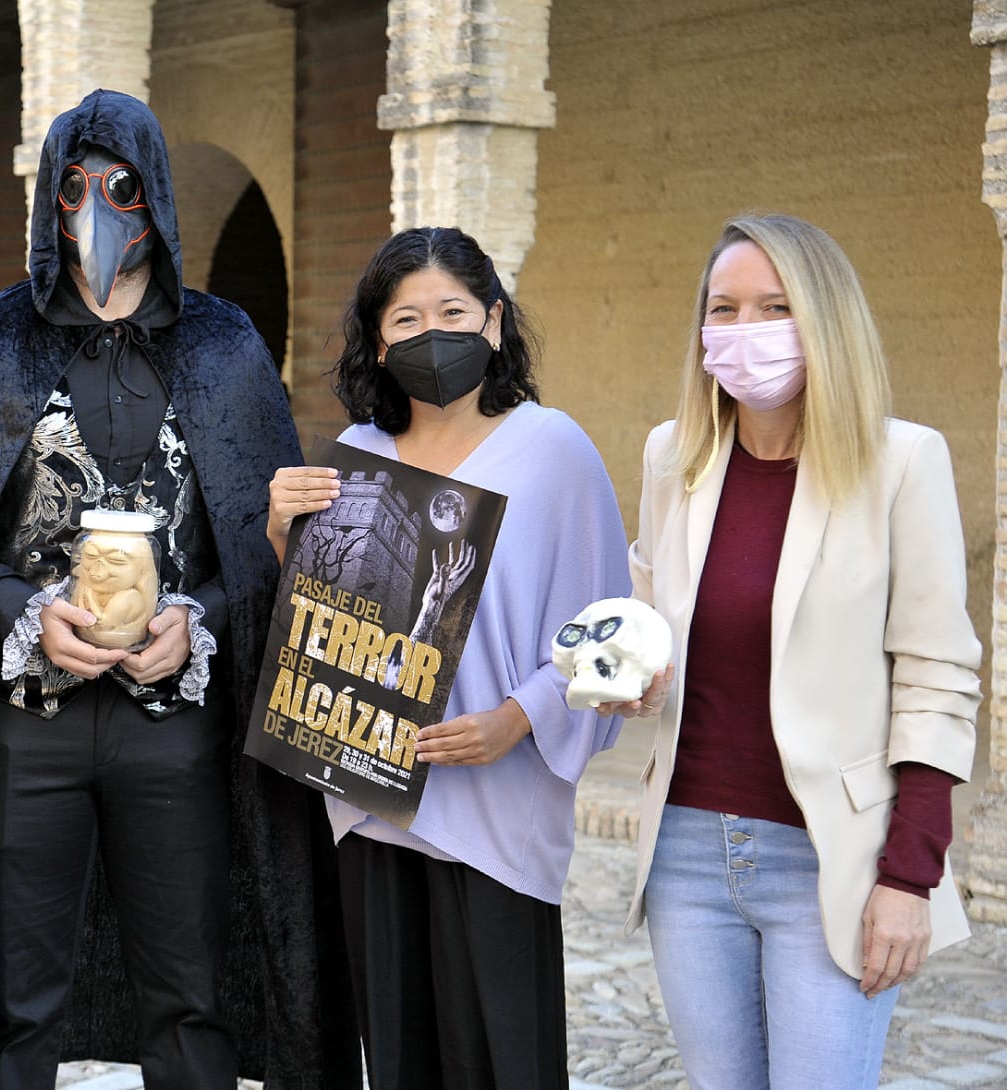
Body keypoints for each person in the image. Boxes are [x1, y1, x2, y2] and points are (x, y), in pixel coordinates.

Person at [0, 89, 359, 1090]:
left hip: (174, 725)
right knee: (16, 998)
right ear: (48, 196)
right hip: (24, 723)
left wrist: (197, 620)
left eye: (118, 187)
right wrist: (19, 610)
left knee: (189, 995)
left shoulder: (219, 345)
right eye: (72, 186)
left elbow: (262, 537)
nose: (95, 211)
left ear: (154, 194)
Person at [601, 213, 980, 1089]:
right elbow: (650, 610)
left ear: (827, 323)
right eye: (723, 309)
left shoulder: (902, 462)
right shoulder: (675, 457)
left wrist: (909, 877)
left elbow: (936, 676)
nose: (745, 333)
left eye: (774, 308)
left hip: (833, 857)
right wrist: (627, 672)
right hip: (687, 854)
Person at [268, 225, 631, 1089]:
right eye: (405, 319)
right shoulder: (357, 457)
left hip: (496, 813)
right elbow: (326, 621)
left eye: (453, 311)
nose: (430, 333)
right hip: (373, 804)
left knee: (501, 1058)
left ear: (494, 323)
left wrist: (517, 719)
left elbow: (609, 636)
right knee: (397, 1059)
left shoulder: (554, 452)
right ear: (378, 340)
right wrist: (285, 533)